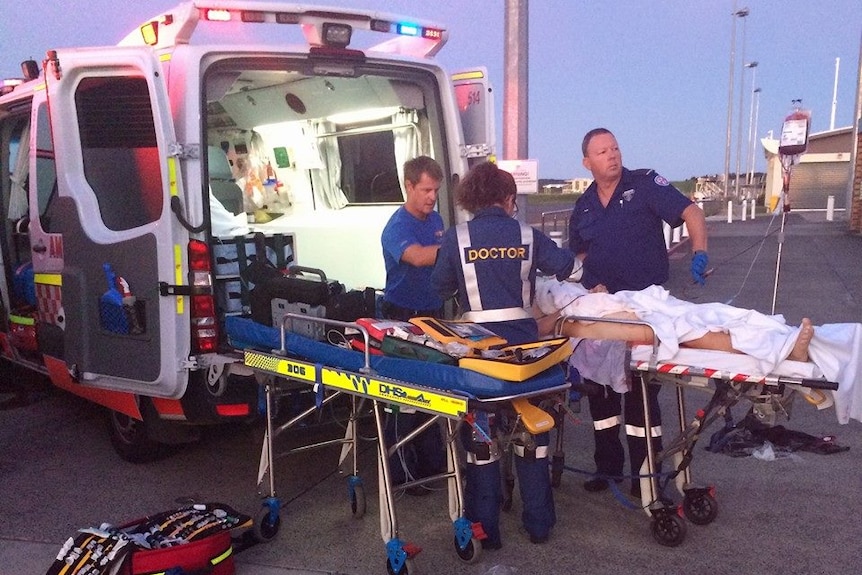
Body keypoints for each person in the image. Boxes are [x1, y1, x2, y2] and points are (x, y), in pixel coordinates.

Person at [431, 161, 580, 548]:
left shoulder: (456, 237)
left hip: (479, 360)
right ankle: (539, 525)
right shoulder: (527, 234)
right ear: (509, 199)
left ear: (472, 199)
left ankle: (487, 532)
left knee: (482, 442)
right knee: (532, 432)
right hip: (526, 357)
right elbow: (567, 267)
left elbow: (440, 287)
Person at [568, 127, 709, 498]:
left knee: (640, 394)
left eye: (614, 148)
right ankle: (607, 469)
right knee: (601, 395)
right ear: (587, 162)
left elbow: (690, 211)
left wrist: (700, 251)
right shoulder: (583, 206)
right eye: (602, 151)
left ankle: (645, 474)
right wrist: (585, 284)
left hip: (644, 311)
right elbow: (578, 256)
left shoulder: (645, 184)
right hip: (602, 312)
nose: (612, 155)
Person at [379, 155, 448, 495]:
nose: (431, 197)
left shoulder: (435, 219)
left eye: (435, 190)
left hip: (433, 313)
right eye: (425, 190)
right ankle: (403, 474)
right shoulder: (397, 227)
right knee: (404, 398)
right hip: (401, 315)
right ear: (408, 186)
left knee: (433, 391)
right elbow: (419, 257)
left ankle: (434, 465)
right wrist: (457, 249)